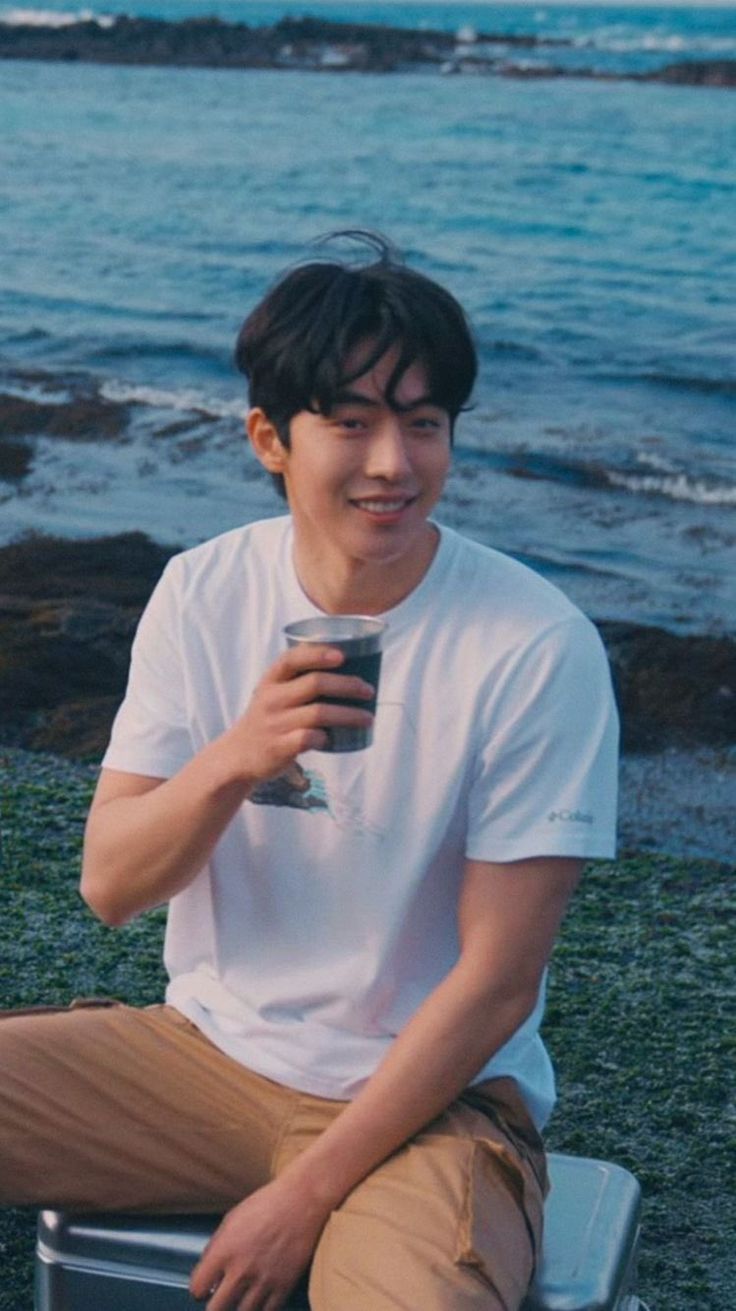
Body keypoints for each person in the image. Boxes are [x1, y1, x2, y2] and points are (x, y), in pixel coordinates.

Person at [0, 232, 618, 1311]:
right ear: (269, 438)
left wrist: (307, 1195)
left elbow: (496, 983)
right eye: (352, 422)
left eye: (423, 424)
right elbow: (111, 885)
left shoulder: (534, 643)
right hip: (205, 1058)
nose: (394, 462)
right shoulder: (203, 592)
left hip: (432, 1105)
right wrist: (237, 757)